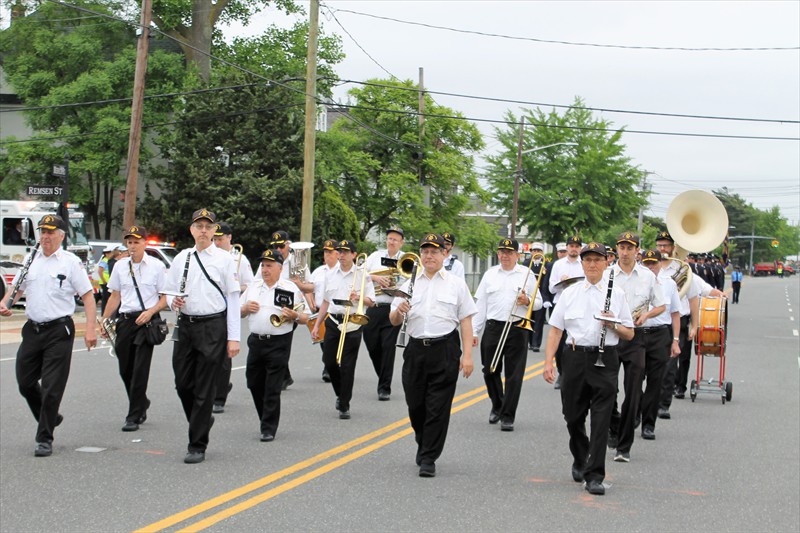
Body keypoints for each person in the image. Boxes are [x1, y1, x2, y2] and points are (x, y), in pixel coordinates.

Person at [0, 215, 98, 457]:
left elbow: (87, 295)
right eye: (42, 231)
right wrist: (5, 301)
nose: (45, 236)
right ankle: (51, 416)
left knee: (53, 387)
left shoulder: (70, 262)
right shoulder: (30, 259)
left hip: (59, 330)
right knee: (25, 383)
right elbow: (18, 287)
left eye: (50, 232)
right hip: (33, 329)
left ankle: (44, 437)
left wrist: (90, 328)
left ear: (61, 236)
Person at [542, 242, 634, 496]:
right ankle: (580, 457)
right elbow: (556, 330)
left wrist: (613, 324)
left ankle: (595, 475)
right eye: (587, 260)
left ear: (606, 263)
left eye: (597, 260)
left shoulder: (617, 294)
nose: (592, 264)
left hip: (605, 358)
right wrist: (548, 361)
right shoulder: (570, 293)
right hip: (574, 358)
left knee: (602, 419)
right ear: (582, 263)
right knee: (572, 416)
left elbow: (629, 333)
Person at [389, 233, 476, 478]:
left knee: (438, 407)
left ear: (444, 255)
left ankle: (429, 457)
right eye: (425, 251)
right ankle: (424, 441)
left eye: (435, 251)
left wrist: (467, 355)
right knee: (416, 405)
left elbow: (466, 320)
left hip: (445, 349)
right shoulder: (409, 283)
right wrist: (399, 311)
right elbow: (393, 320)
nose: (429, 256)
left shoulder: (456, 283)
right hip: (415, 349)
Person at [164, 208, 240, 464]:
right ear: (192, 230)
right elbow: (168, 291)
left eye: (208, 226)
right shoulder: (182, 257)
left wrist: (233, 337)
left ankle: (197, 444)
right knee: (183, 383)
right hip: (185, 325)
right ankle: (202, 419)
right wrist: (172, 300)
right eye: (199, 226)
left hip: (213, 326)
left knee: (205, 387)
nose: (204, 231)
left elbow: (232, 297)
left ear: (215, 230)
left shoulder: (224, 259)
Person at [100, 225, 167, 432]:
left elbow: (166, 298)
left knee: (140, 369)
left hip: (147, 320)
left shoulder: (156, 266)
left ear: (145, 243)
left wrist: (151, 311)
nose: (133, 246)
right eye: (129, 242)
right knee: (125, 368)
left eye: (137, 242)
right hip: (126, 320)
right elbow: (115, 295)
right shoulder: (120, 266)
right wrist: (104, 320)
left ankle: (134, 414)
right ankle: (141, 401)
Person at [607, 232, 666, 463]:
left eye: (629, 248)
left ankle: (624, 446)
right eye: (621, 247)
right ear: (617, 248)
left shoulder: (647, 276)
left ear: (637, 251)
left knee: (633, 391)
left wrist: (646, 314)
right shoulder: (607, 273)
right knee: (607, 389)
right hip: (612, 335)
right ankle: (614, 425)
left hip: (637, 336)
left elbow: (661, 305)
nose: (625, 251)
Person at [473, 238, 542, 431]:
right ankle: (498, 404)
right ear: (498, 254)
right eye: (502, 252)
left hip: (517, 327)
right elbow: (481, 304)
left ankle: (508, 416)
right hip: (494, 327)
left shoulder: (526, 274)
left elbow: (538, 303)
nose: (505, 255)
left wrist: (527, 300)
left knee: (514, 375)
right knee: (489, 370)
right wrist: (474, 331)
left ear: (517, 255)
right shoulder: (490, 274)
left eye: (509, 252)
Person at [240, 249, 309, 442]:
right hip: (256, 341)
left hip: (279, 341)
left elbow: (306, 317)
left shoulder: (290, 288)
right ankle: (265, 417)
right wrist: (245, 309)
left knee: (272, 386)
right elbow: (238, 311)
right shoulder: (253, 287)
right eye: (263, 265)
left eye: (269, 266)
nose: (264, 269)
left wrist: (294, 315)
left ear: (280, 268)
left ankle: (268, 427)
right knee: (253, 382)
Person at [312, 239, 375, 420]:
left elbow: (372, 300)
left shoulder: (363, 275)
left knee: (347, 366)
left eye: (346, 252)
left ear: (354, 255)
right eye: (340, 251)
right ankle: (340, 393)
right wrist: (317, 324)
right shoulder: (330, 274)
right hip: (333, 321)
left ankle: (344, 404)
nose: (342, 255)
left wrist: (359, 298)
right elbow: (325, 301)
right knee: (329, 361)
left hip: (353, 322)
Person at [211, 221, 255, 414]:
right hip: (210, 309)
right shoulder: (210, 257)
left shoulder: (240, 260)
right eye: (215, 239)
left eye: (220, 239)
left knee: (222, 356)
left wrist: (234, 287)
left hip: (229, 310)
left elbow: (249, 284)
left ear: (230, 238)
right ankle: (219, 386)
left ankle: (219, 397)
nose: (217, 242)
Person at [638, 249, 681, 441]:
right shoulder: (636, 280)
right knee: (634, 380)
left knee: (655, 382)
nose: (650, 267)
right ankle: (635, 414)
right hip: (638, 334)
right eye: (646, 264)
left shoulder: (669, 283)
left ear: (659, 264)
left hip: (660, 334)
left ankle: (648, 424)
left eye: (653, 264)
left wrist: (676, 340)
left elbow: (675, 313)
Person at [363, 226, 405, 401]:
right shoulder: (375, 256)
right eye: (389, 238)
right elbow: (360, 272)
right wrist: (376, 278)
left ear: (401, 242)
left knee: (388, 347)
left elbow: (410, 281)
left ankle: (384, 387)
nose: (391, 241)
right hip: (374, 306)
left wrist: (394, 286)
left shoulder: (406, 259)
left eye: (395, 239)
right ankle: (383, 375)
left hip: (393, 307)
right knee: (372, 345)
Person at [269, 230, 314, 390]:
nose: (278, 250)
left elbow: (310, 286)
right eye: (275, 246)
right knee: (276, 342)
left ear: (288, 245)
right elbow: (258, 280)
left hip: (292, 306)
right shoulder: (270, 260)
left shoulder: (298, 262)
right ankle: (285, 375)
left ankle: (281, 376)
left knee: (282, 341)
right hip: (272, 305)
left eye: (281, 246)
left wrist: (300, 285)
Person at [547, 235, 584, 389]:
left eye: (576, 246)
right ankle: (562, 373)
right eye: (571, 246)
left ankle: (575, 373)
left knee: (576, 340)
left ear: (580, 248)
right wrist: (560, 281)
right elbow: (551, 288)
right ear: (567, 247)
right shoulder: (558, 264)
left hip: (579, 304)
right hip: (561, 303)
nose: (574, 249)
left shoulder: (584, 263)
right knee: (560, 342)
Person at [310, 239, 339, 382]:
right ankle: (329, 365)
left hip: (335, 311)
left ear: (338, 253)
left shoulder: (343, 270)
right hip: (320, 309)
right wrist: (309, 299)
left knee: (331, 342)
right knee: (323, 342)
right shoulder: (318, 271)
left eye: (330, 252)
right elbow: (309, 288)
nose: (327, 255)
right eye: (325, 252)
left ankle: (330, 367)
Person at [523, 242, 552, 352]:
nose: (536, 253)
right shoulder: (526, 264)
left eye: (539, 251)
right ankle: (528, 342)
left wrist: (546, 298)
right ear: (531, 252)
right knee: (528, 319)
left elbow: (548, 282)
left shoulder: (547, 265)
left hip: (541, 296)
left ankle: (536, 344)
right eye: (534, 251)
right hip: (529, 296)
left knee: (539, 321)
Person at [97, 245, 114, 312]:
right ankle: (104, 312)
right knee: (105, 298)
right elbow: (100, 271)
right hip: (105, 282)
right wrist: (104, 280)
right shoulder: (104, 260)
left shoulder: (109, 260)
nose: (111, 254)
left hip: (108, 282)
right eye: (109, 253)